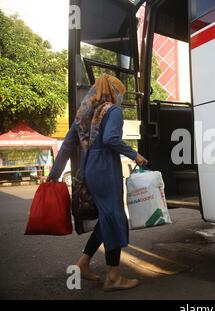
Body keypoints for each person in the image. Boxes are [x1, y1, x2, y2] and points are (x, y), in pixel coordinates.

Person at [47, 74, 148, 291]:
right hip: (104, 168)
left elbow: (67, 145)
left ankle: (83, 263)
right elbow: (111, 139)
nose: (120, 97)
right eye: (120, 92)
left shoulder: (84, 113)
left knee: (107, 218)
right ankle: (113, 276)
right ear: (112, 92)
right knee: (114, 217)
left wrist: (55, 173)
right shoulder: (113, 111)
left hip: (89, 169)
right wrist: (134, 154)